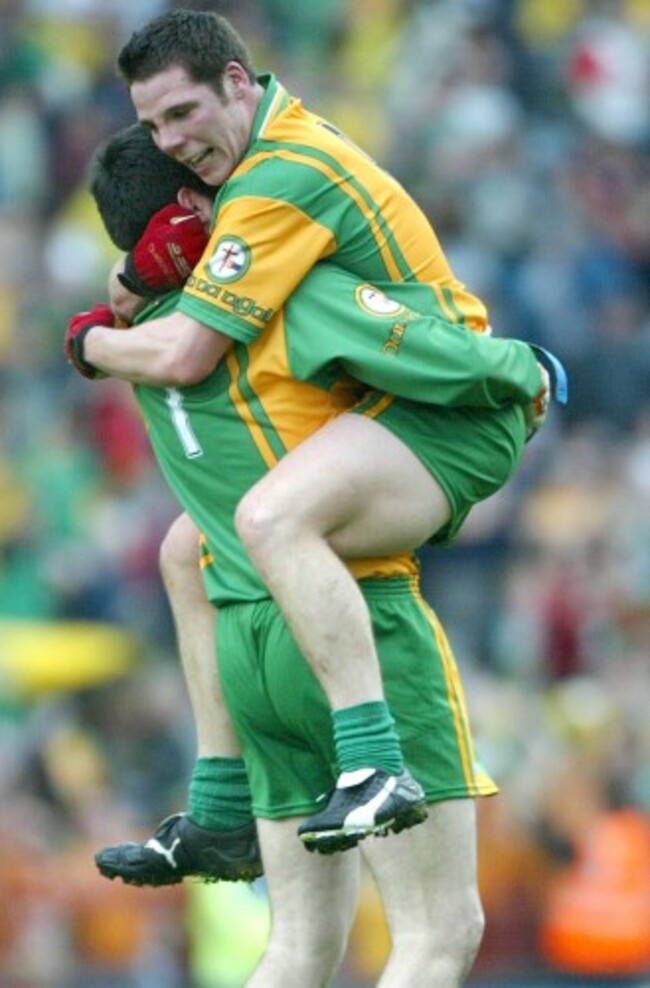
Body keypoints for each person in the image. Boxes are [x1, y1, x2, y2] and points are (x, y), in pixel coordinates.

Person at [67, 127, 559, 987]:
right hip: (349, 629)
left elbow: (187, 523)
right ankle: (372, 762)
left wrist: (99, 325)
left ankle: (213, 796)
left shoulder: (146, 337)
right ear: (193, 211)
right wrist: (526, 367)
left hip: (243, 649)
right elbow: (427, 348)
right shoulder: (283, 291)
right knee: (438, 935)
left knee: (296, 950)